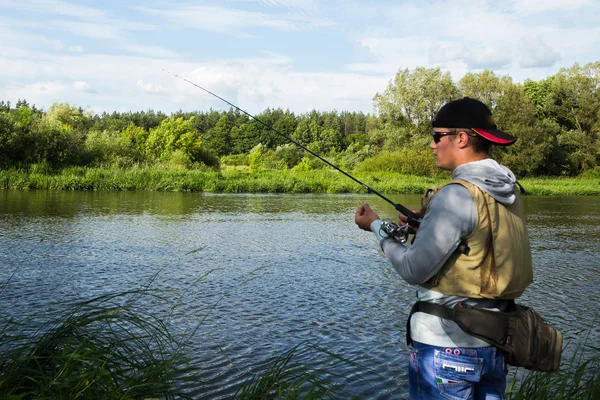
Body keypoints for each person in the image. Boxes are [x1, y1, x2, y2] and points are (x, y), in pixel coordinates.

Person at [354, 97, 533, 400]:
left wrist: (376, 228)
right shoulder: (507, 193)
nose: (432, 145)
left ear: (461, 138)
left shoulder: (456, 196)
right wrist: (423, 227)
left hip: (447, 350)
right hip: (493, 346)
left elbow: (413, 269)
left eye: (437, 136)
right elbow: (477, 246)